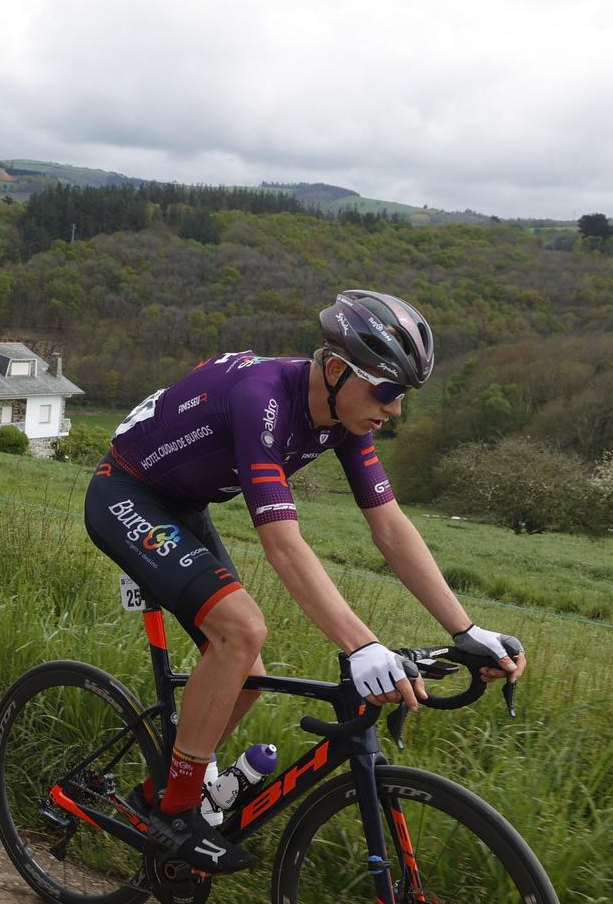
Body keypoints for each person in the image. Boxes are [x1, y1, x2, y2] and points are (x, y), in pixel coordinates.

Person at [86, 290, 524, 874]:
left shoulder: (344, 418)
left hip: (185, 506)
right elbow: (282, 543)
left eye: (402, 396)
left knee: (249, 675)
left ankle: (161, 789)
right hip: (127, 493)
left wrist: (465, 629)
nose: (394, 411)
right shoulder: (261, 398)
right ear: (339, 370)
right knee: (242, 631)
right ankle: (178, 810)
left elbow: (390, 528)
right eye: (388, 391)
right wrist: (362, 645)